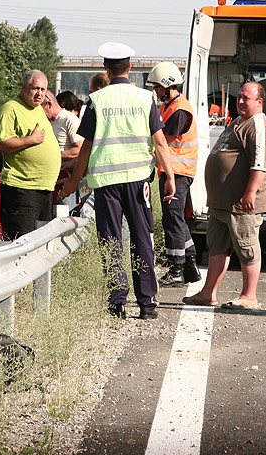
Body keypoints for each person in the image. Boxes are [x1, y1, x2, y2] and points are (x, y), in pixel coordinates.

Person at [61, 42, 176, 321]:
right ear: (131, 68)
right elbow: (159, 141)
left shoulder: (97, 101)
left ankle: (117, 301)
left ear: (106, 69)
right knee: (141, 238)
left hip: (106, 183)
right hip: (139, 182)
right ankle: (147, 303)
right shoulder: (145, 99)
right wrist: (169, 176)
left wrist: (75, 180)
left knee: (111, 239)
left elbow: (86, 147)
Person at [182, 82, 266, 310]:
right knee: (217, 247)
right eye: (240, 97)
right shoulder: (239, 121)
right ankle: (207, 293)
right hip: (222, 203)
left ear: (259, 102)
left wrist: (250, 192)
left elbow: (260, 165)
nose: (241, 101)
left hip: (241, 203)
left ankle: (249, 296)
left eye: (247, 98)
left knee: (247, 246)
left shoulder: (258, 126)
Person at [145, 61, 201, 286]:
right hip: (173, 171)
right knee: (175, 218)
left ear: (167, 85)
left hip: (177, 173)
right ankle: (190, 266)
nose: (155, 91)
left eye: (157, 87)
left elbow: (162, 142)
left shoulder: (178, 110)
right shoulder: (169, 106)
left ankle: (176, 268)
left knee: (172, 219)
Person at [0, 70, 61, 241]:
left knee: (41, 243)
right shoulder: (10, 108)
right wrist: (30, 140)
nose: (39, 94)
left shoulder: (38, 109)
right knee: (22, 242)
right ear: (24, 87)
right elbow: (1, 144)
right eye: (35, 88)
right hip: (22, 188)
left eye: (43, 90)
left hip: (43, 187)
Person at [42, 90, 83, 169]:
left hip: (64, 172)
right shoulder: (47, 121)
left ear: (49, 105)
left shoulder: (70, 119)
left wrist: (55, 155)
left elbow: (79, 149)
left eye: (41, 108)